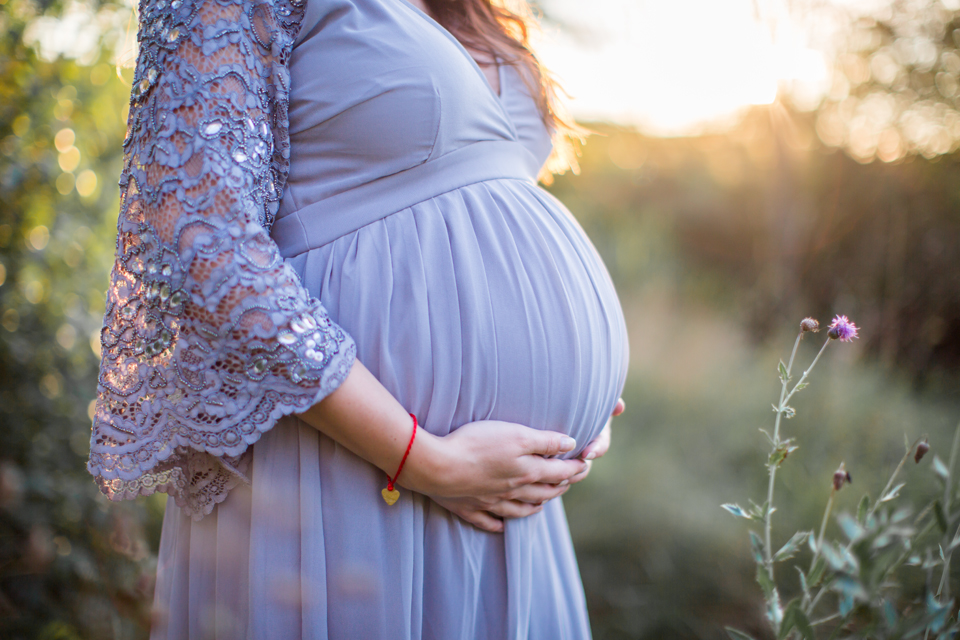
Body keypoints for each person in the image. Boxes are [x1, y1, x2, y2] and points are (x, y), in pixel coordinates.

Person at [87, 0, 629, 637]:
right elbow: (208, 240)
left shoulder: (477, 11)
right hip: (339, 472)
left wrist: (572, 417)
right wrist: (426, 461)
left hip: (510, 505)